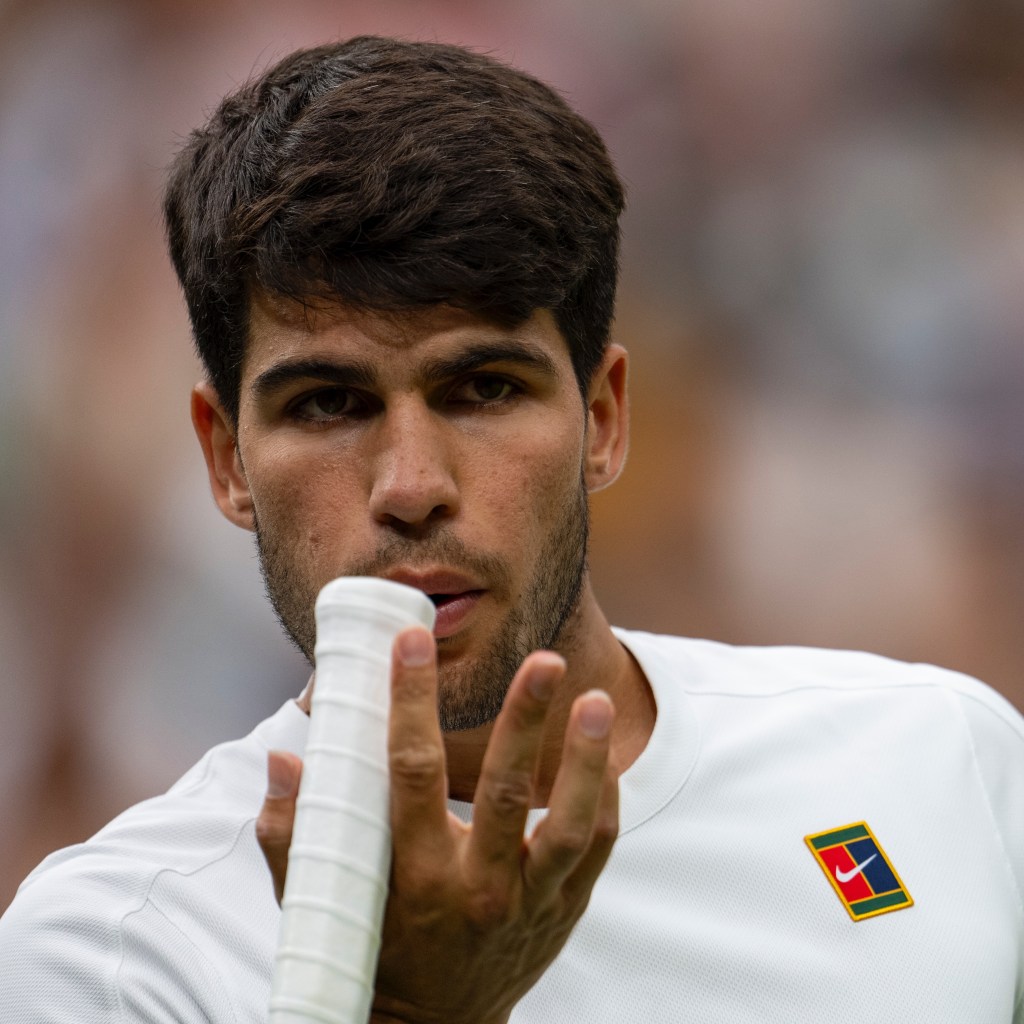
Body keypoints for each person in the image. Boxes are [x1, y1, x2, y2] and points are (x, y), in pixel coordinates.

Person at [1, 35, 1022, 1023]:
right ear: (225, 458)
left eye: (482, 388)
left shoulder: (939, 762)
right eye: (327, 404)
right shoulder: (108, 954)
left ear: (605, 420)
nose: (410, 486)